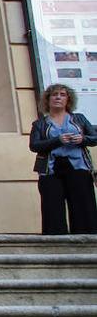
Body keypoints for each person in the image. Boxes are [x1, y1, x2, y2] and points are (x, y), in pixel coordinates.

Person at [29, 83, 97, 235]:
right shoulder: (40, 123)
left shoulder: (79, 119)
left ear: (68, 99)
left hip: (78, 166)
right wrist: (58, 140)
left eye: (62, 94)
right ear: (48, 100)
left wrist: (82, 139)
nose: (58, 97)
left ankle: (86, 241)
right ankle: (55, 243)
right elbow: (34, 145)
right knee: (52, 207)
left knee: (83, 205)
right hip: (50, 169)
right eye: (54, 95)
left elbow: (94, 138)